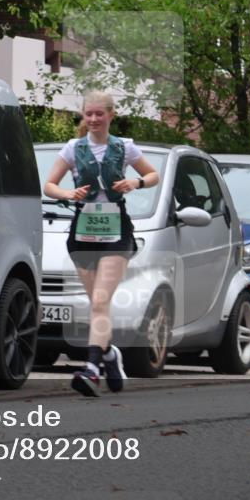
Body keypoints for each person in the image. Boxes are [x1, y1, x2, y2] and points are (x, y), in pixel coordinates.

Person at [43, 91, 160, 397]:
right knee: (98, 306)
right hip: (82, 232)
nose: (93, 119)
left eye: (99, 114)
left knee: (99, 302)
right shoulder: (73, 148)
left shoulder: (125, 147)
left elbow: (153, 174)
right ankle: (110, 355)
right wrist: (68, 195)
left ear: (111, 115)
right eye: (88, 114)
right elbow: (49, 185)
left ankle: (92, 368)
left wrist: (136, 182)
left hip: (116, 232)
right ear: (83, 116)